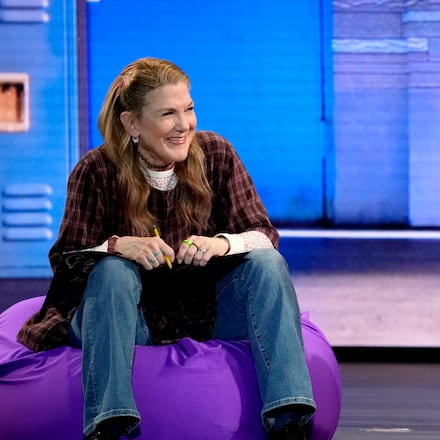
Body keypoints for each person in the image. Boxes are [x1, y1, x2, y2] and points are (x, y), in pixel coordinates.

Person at [17, 57, 316, 440]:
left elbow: (264, 234)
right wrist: (117, 246)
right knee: (112, 271)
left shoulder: (217, 154)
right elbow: (64, 260)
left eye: (188, 109)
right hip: (128, 319)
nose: (184, 125)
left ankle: (289, 420)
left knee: (267, 263)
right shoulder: (96, 170)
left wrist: (220, 244)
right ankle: (110, 426)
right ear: (132, 124)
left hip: (203, 312)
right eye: (168, 114)